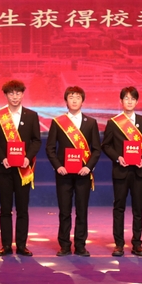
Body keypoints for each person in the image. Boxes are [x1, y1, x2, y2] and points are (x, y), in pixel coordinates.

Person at [101, 86, 142, 257]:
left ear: (136, 101)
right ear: (121, 101)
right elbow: (106, 145)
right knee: (119, 208)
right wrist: (118, 157)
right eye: (126, 98)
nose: (129, 101)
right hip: (121, 170)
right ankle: (119, 244)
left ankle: (137, 244)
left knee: (137, 209)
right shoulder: (113, 123)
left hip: (139, 171)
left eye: (132, 99)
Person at [0, 79, 42, 257]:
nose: (15, 97)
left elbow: (36, 141)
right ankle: (6, 245)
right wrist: (2, 158)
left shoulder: (31, 115)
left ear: (23, 94)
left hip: (23, 169)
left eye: (18, 93)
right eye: (11, 93)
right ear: (6, 95)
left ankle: (21, 245)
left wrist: (27, 157)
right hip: (4, 169)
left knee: (22, 209)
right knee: (5, 209)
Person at [45, 86, 101, 257]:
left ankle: (80, 245)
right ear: (66, 101)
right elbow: (50, 148)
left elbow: (96, 149)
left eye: (77, 97)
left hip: (83, 173)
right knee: (64, 211)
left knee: (82, 211)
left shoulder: (91, 122)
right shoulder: (58, 122)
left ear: (83, 100)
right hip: (63, 174)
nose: (74, 100)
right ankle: (64, 245)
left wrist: (88, 167)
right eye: (71, 97)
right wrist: (58, 166)